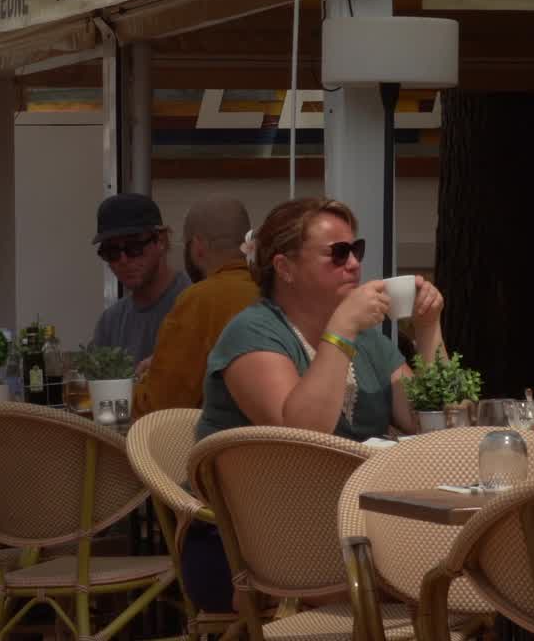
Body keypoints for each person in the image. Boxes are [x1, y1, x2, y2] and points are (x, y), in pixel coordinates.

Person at [181, 197, 444, 614]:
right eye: (337, 254)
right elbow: (302, 435)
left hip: (352, 531)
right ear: (284, 268)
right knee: (428, 581)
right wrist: (341, 328)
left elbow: (432, 422)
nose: (354, 264)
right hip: (247, 546)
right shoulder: (251, 333)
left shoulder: (367, 340)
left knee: (459, 568)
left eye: (355, 250)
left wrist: (428, 331)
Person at [133, 197, 255, 417]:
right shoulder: (272, 288)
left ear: (198, 247)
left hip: (222, 445)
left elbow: (162, 407)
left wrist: (140, 383)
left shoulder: (200, 300)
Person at [89, 193, 190, 363]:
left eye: (134, 247)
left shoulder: (196, 304)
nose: (123, 260)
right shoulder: (110, 323)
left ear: (161, 241)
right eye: (112, 252)